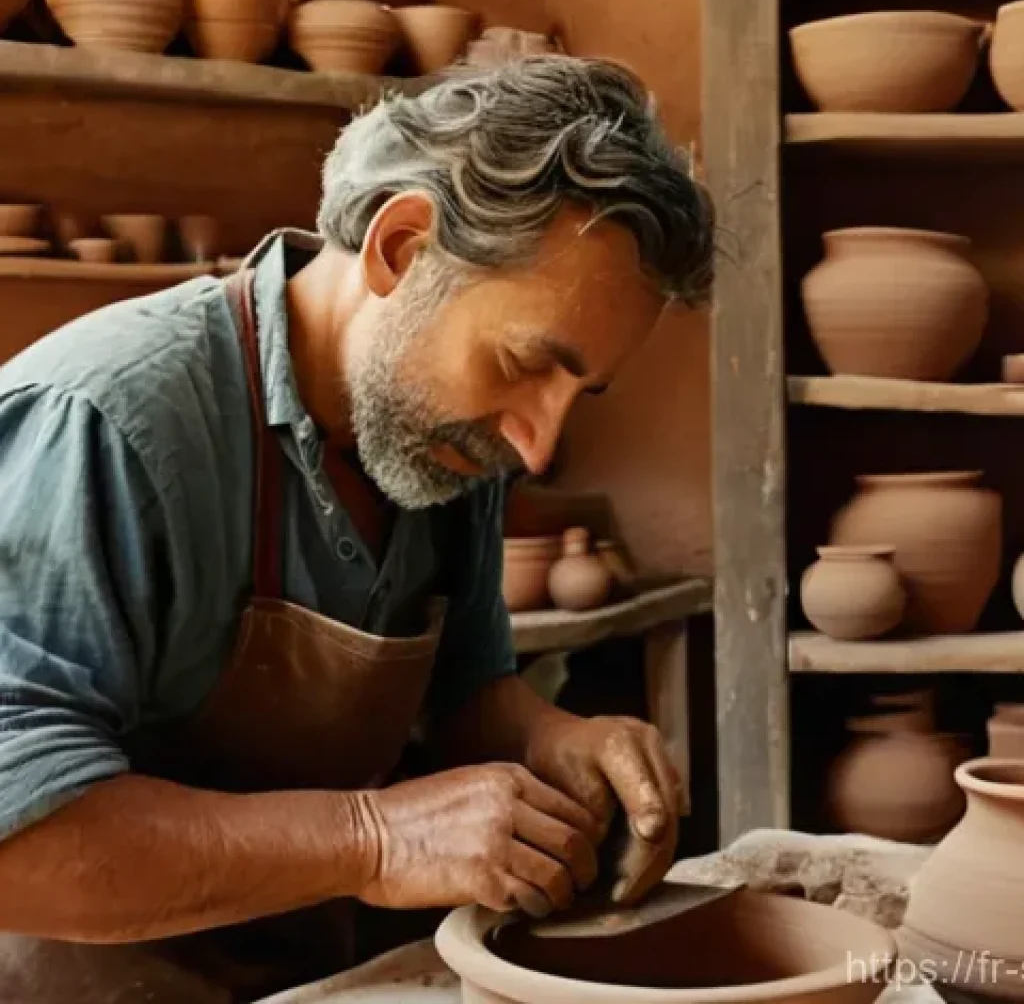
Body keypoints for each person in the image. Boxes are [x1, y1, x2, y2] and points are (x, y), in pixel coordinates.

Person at [0, 55, 714, 1002]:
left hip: (322, 973)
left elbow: (466, 695)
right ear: (402, 247)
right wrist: (374, 840)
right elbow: (18, 840)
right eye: (525, 362)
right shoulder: (108, 422)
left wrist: (552, 738)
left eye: (579, 391)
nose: (539, 444)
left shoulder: (446, 441)